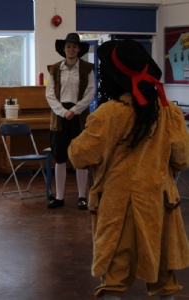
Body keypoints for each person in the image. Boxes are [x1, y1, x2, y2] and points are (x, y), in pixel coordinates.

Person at [68, 39, 189, 300]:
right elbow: (182, 160)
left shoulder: (109, 114)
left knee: (114, 278)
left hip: (120, 207)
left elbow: (79, 156)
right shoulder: (169, 112)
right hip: (161, 204)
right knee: (164, 277)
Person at [45, 32, 95, 210]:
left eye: (74, 46)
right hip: (59, 118)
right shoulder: (54, 69)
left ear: (79, 49)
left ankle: (82, 197)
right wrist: (63, 112)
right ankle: (59, 197)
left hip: (79, 117)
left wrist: (74, 110)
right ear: (64, 49)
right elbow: (49, 94)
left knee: (80, 157)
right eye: (68, 46)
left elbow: (90, 93)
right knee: (60, 157)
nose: (71, 49)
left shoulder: (87, 68)